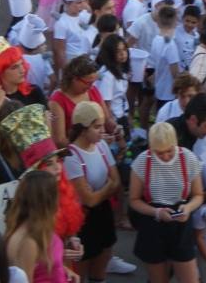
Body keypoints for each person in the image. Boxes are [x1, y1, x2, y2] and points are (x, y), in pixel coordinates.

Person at [128, 122, 204, 283]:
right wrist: (156, 212)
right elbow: (133, 200)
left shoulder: (188, 157)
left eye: (169, 150)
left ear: (175, 143)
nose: (165, 156)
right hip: (153, 223)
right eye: (159, 152)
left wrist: (188, 208)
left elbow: (198, 195)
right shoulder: (142, 161)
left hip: (181, 221)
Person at [65, 101, 121, 283]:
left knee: (100, 272)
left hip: (103, 214)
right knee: (80, 273)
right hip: (83, 220)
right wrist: (107, 187)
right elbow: (89, 200)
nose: (102, 130)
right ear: (82, 129)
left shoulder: (102, 146)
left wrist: (98, 193)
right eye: (97, 127)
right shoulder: (71, 156)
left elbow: (117, 181)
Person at [5, 171, 72, 283]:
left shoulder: (40, 226)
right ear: (47, 199)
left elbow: (43, 267)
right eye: (56, 192)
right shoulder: (28, 241)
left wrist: (64, 271)